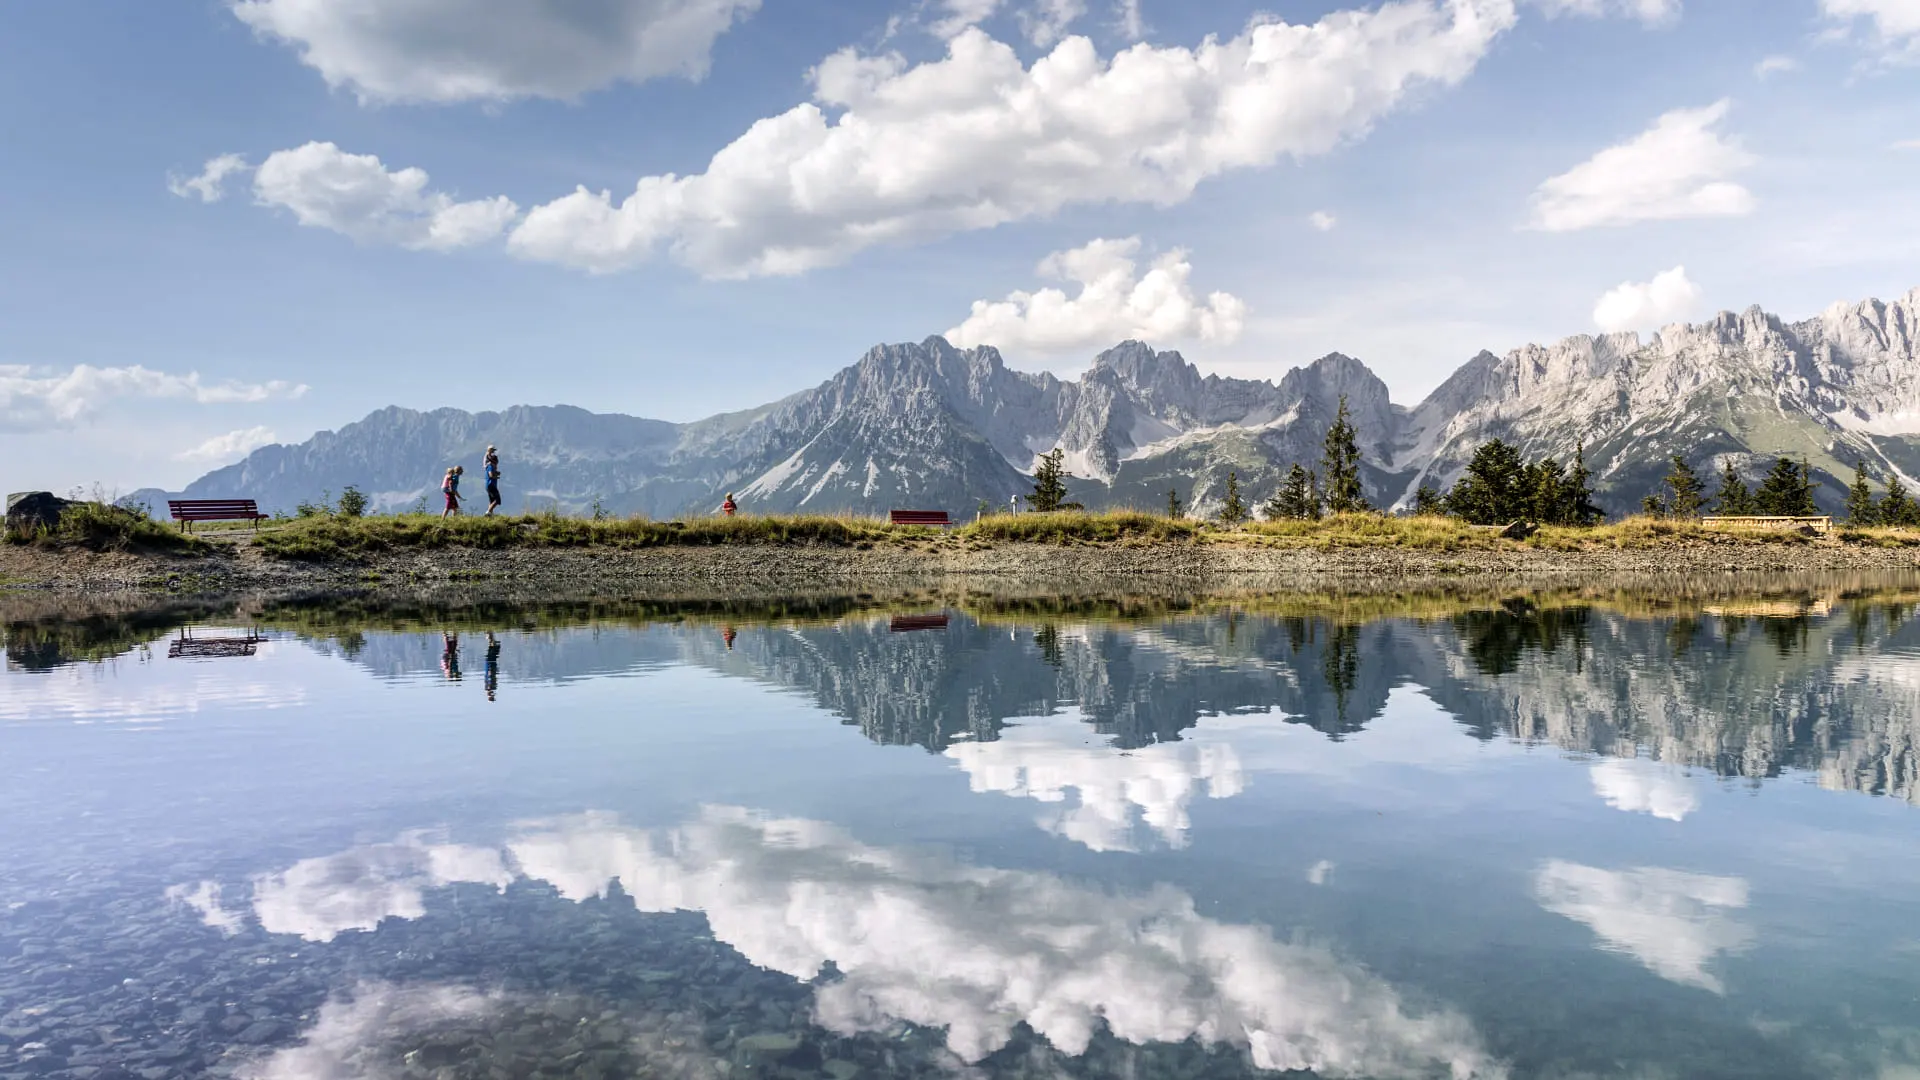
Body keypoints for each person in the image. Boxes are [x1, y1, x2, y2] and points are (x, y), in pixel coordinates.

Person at [483, 446, 502, 516]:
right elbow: (490, 475)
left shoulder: (491, 466)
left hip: (489, 485)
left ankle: (490, 515)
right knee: (497, 500)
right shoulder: (490, 466)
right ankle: (488, 512)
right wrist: (496, 477)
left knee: (491, 501)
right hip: (491, 485)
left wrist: (496, 473)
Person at [484, 632, 500, 701]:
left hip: (490, 664)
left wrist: (491, 670)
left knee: (493, 649)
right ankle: (490, 636)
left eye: (492, 697)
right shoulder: (492, 687)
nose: (492, 695)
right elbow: (494, 678)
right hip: (492, 664)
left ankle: (489, 636)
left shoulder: (488, 687)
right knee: (495, 648)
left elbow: (490, 676)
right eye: (493, 697)